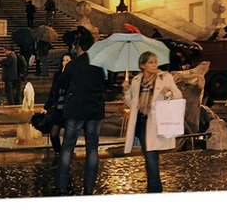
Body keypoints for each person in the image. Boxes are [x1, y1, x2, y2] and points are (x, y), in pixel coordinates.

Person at [121, 50, 182, 193]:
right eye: (150, 62)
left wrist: (167, 92)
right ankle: (153, 187)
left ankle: (155, 189)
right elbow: (131, 104)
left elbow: (178, 95)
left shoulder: (165, 77)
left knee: (151, 155)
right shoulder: (137, 80)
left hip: (156, 122)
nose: (154, 65)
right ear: (143, 65)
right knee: (150, 155)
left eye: (155, 62)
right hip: (142, 122)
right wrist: (127, 90)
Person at [54, 30, 107, 196]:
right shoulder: (100, 64)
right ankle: (89, 188)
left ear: (79, 48)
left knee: (67, 147)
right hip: (94, 111)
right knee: (92, 149)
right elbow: (106, 84)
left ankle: (61, 186)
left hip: (76, 111)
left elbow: (61, 84)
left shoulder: (73, 64)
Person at [43, 53, 72, 162]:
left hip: (69, 109)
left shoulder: (74, 76)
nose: (65, 62)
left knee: (68, 135)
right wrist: (47, 106)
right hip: (58, 109)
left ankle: (66, 154)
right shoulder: (58, 75)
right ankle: (58, 151)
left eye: (68, 60)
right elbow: (54, 90)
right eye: (64, 60)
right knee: (54, 133)